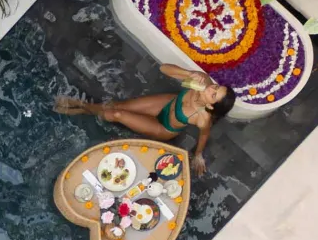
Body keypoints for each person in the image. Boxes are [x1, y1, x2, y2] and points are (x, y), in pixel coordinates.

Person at [55, 65, 236, 176]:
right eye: (216, 87)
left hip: (163, 127)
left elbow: (204, 136)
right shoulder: (202, 80)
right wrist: (188, 73)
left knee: (115, 115)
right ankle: (86, 109)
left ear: (211, 106)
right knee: (117, 105)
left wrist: (198, 155)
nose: (211, 88)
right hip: (166, 103)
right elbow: (163, 68)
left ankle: (81, 106)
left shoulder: (202, 118)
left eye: (213, 94)